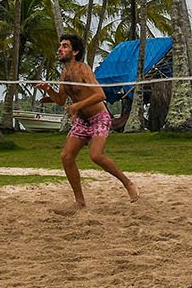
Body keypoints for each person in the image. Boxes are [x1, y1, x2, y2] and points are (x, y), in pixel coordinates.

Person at [35, 34, 138, 211]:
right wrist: (48, 90)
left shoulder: (84, 69)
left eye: (65, 46)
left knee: (96, 156)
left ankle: (128, 184)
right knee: (66, 157)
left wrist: (75, 107)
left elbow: (100, 95)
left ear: (75, 51)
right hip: (83, 121)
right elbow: (60, 100)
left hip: (99, 117)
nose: (60, 49)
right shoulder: (64, 74)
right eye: (60, 46)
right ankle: (80, 201)